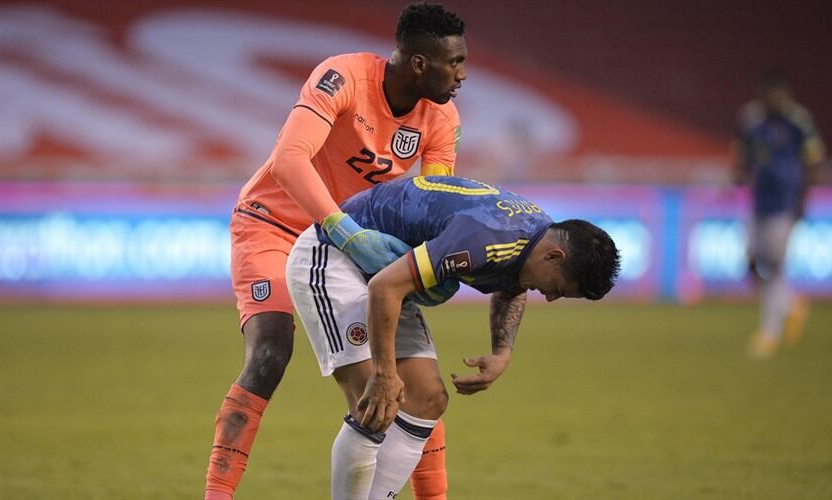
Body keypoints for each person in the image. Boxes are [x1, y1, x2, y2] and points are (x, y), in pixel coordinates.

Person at [204, 4, 467, 499]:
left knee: (417, 381)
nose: (463, 74)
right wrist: (342, 229)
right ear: (418, 63)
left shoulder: (441, 118)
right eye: (453, 62)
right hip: (273, 225)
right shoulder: (341, 75)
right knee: (270, 353)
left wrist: (430, 261)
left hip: (349, 248)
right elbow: (288, 159)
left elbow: (432, 204)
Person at [286, 175, 621, 499]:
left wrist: (501, 351)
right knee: (375, 405)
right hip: (333, 257)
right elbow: (385, 287)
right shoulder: (486, 236)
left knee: (429, 398)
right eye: (559, 290)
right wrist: (385, 374)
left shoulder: (535, 238)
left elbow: (512, 285)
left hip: (384, 275)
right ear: (554, 256)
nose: (549, 298)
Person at [732, 69, 825, 359]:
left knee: (772, 267)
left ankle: (769, 333)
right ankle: (790, 304)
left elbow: (812, 160)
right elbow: (742, 154)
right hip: (757, 202)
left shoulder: (799, 121)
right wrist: (738, 174)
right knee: (749, 263)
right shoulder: (752, 119)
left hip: (784, 205)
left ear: (786, 95)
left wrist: (803, 200)